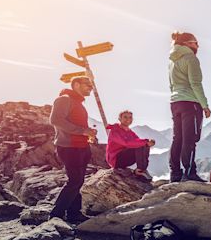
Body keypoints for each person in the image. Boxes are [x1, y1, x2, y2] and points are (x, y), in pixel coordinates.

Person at [49, 75, 97, 223]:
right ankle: (55, 215)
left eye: (91, 85)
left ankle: (73, 214)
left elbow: (76, 124)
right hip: (69, 147)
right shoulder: (64, 99)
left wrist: (88, 132)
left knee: (78, 181)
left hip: (81, 147)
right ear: (76, 85)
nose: (91, 87)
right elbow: (55, 120)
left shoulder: (77, 102)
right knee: (75, 181)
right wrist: (83, 131)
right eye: (87, 84)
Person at [168, 31, 210, 182]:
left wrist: (176, 98)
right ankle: (190, 173)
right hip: (191, 103)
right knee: (190, 138)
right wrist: (204, 105)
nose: (198, 46)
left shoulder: (172, 60)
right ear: (187, 44)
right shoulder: (191, 58)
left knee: (177, 138)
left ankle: (175, 174)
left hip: (175, 102)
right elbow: (195, 83)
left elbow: (171, 84)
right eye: (196, 42)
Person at [105, 110, 155, 180]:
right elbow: (126, 143)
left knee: (144, 145)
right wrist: (145, 142)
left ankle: (141, 170)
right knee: (141, 144)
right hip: (116, 159)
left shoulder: (130, 132)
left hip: (124, 157)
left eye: (130, 117)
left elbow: (138, 141)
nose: (128, 119)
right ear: (120, 119)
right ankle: (140, 171)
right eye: (125, 117)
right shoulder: (115, 130)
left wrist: (148, 143)